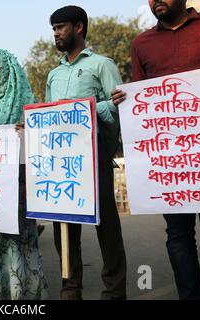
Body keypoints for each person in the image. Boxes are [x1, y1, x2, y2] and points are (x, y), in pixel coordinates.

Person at [112, 0, 200, 300]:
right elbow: (141, 98)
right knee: (178, 235)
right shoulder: (141, 44)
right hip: (169, 164)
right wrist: (127, 99)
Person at [47, 6, 127, 300]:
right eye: (53, 28)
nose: (56, 33)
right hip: (60, 167)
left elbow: (118, 108)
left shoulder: (102, 65)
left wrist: (89, 109)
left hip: (94, 162)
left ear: (79, 27)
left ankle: (115, 292)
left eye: (61, 27)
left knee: (107, 230)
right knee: (65, 231)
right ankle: (70, 289)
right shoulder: (53, 75)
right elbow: (47, 117)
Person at [0, 48, 48, 300]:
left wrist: (28, 130)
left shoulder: (24, 101)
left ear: (10, 72)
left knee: (15, 237)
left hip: (17, 186)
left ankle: (19, 292)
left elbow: (40, 137)